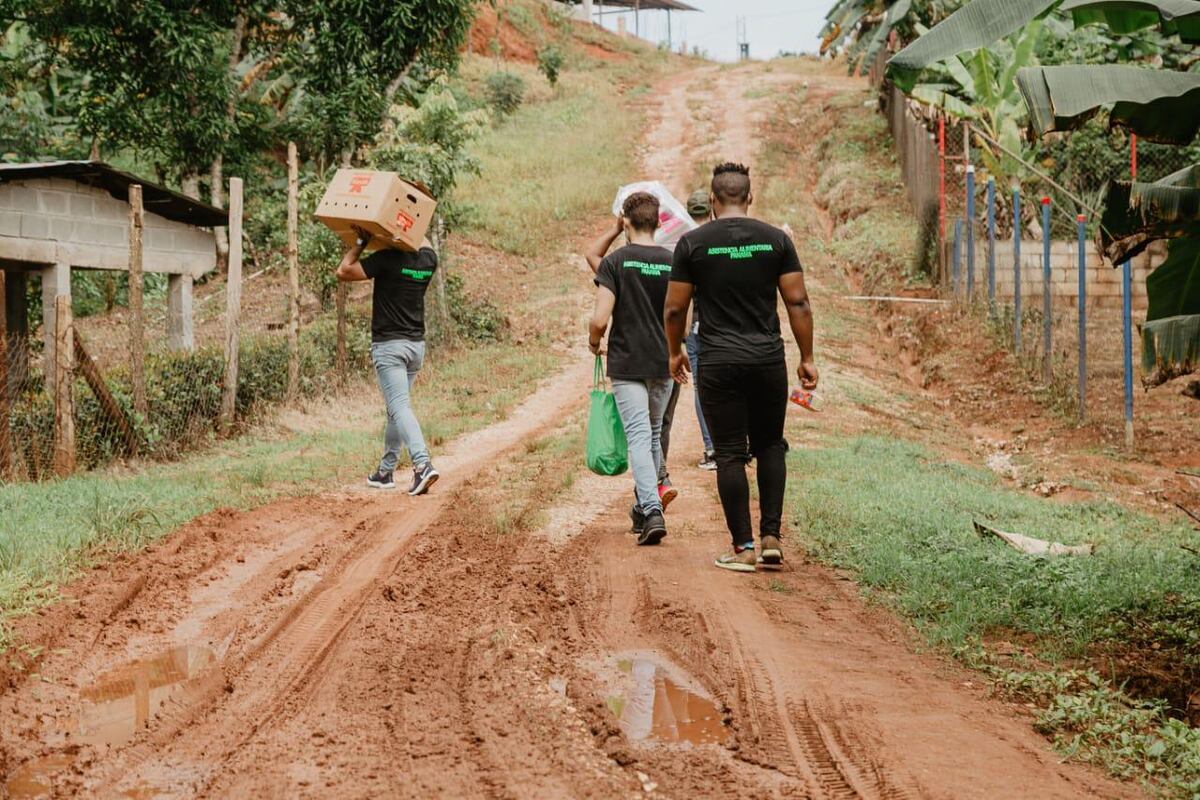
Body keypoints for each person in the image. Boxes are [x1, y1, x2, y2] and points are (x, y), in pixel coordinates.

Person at [664, 163, 818, 572]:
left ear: (713, 201)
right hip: (767, 359)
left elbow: (676, 307)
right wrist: (806, 357)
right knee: (770, 444)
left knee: (730, 454)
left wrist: (675, 351)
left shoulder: (693, 244)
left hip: (718, 361)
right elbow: (798, 302)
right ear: (750, 198)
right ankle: (771, 537)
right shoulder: (776, 241)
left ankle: (744, 548)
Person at [586, 192, 676, 546]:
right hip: (662, 361)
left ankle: (652, 510)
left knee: (638, 436)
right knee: (652, 434)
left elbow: (599, 320)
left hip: (627, 363)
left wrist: (595, 342)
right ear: (659, 222)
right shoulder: (673, 263)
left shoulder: (616, 263)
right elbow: (680, 323)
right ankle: (643, 507)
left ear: (626, 222)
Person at [336, 226, 440, 496]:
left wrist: (362, 240)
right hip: (415, 347)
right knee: (395, 409)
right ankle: (385, 471)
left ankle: (422, 464)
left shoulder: (386, 259)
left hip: (390, 348)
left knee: (400, 406)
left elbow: (344, 270)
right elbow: (421, 234)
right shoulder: (429, 259)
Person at [681, 189, 716, 471]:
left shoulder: (686, 242)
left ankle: (712, 447)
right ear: (711, 209)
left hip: (696, 325)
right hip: (724, 323)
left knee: (701, 387)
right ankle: (733, 444)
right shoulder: (721, 236)